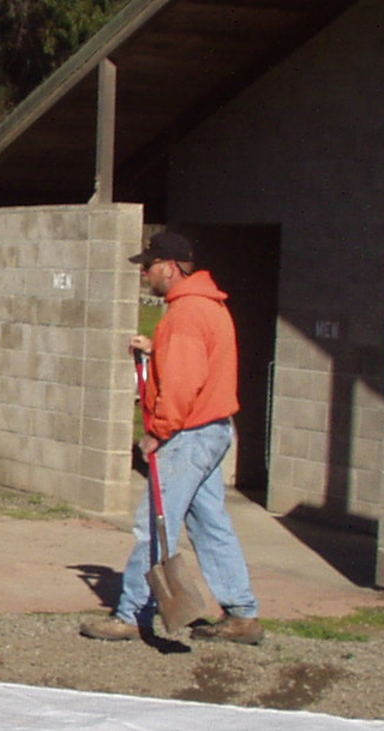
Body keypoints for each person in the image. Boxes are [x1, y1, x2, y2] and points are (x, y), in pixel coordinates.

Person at [81, 230, 263, 645]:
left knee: (154, 526)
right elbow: (194, 363)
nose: (145, 274)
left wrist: (157, 432)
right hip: (212, 430)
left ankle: (130, 615)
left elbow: (182, 385)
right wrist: (154, 349)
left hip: (188, 434)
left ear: (170, 267)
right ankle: (242, 614)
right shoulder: (208, 308)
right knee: (211, 524)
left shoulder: (183, 316)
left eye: (148, 266)